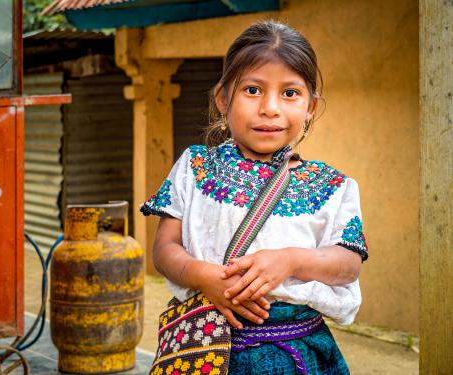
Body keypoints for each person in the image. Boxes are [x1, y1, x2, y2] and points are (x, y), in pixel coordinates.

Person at [141, 20, 368, 375]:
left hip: (298, 354)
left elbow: (347, 265)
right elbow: (165, 249)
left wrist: (291, 261)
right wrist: (201, 276)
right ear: (223, 99)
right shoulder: (196, 167)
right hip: (206, 352)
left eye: (290, 93)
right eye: (252, 90)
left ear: (311, 106)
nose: (270, 108)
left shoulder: (331, 186)